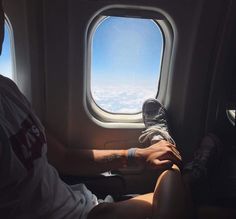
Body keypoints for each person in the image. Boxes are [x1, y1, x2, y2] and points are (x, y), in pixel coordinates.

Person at [0, 1, 189, 218]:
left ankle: (184, 168)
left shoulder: (7, 90)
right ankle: (166, 143)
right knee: (176, 196)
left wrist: (137, 155)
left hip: (85, 206)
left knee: (178, 197)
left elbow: (64, 157)